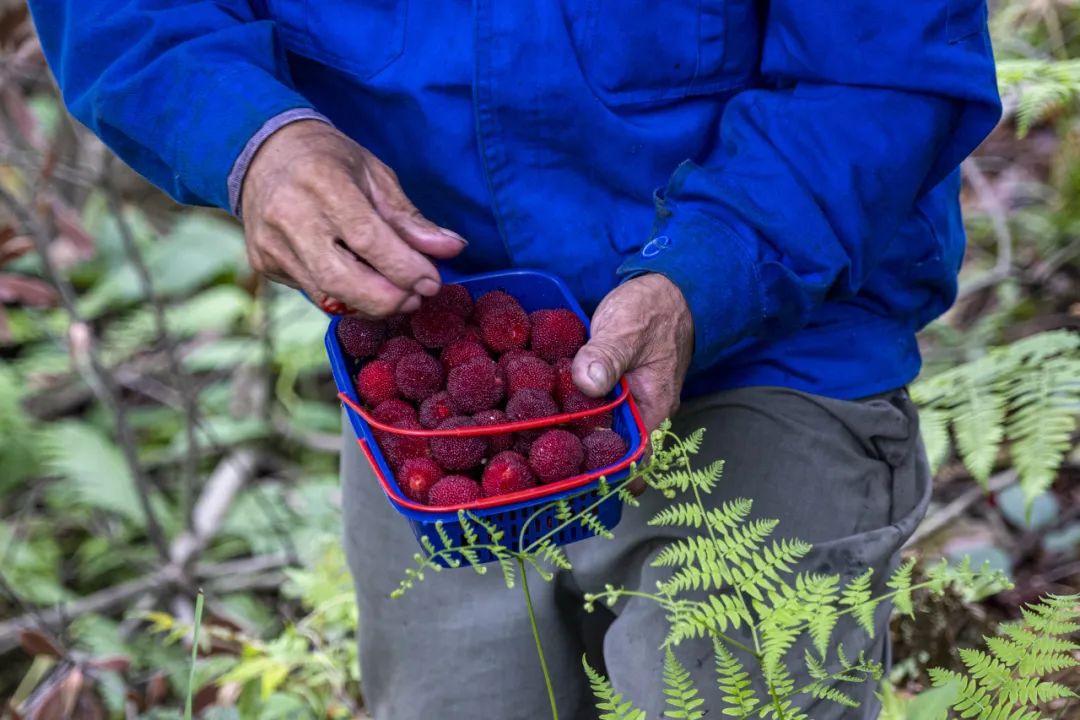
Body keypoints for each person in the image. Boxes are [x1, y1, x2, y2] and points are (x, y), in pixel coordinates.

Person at [28, 2, 1000, 717]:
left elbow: (885, 67)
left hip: (773, 349)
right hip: (439, 392)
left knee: (729, 687)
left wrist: (706, 276)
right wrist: (258, 141)